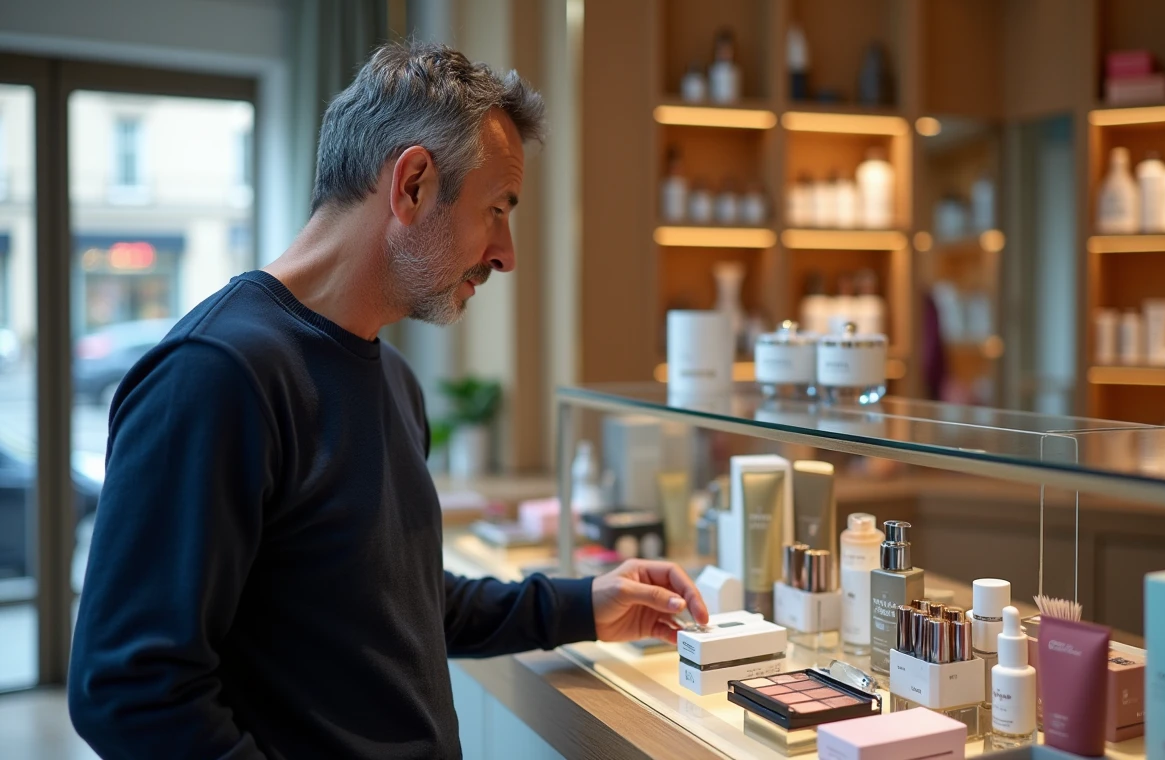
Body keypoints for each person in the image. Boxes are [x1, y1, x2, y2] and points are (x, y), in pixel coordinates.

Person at [67, 41, 709, 760]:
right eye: (496, 209)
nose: (507, 254)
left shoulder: (394, 381)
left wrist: (583, 604)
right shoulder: (217, 375)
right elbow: (129, 690)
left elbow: (401, 603)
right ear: (412, 185)